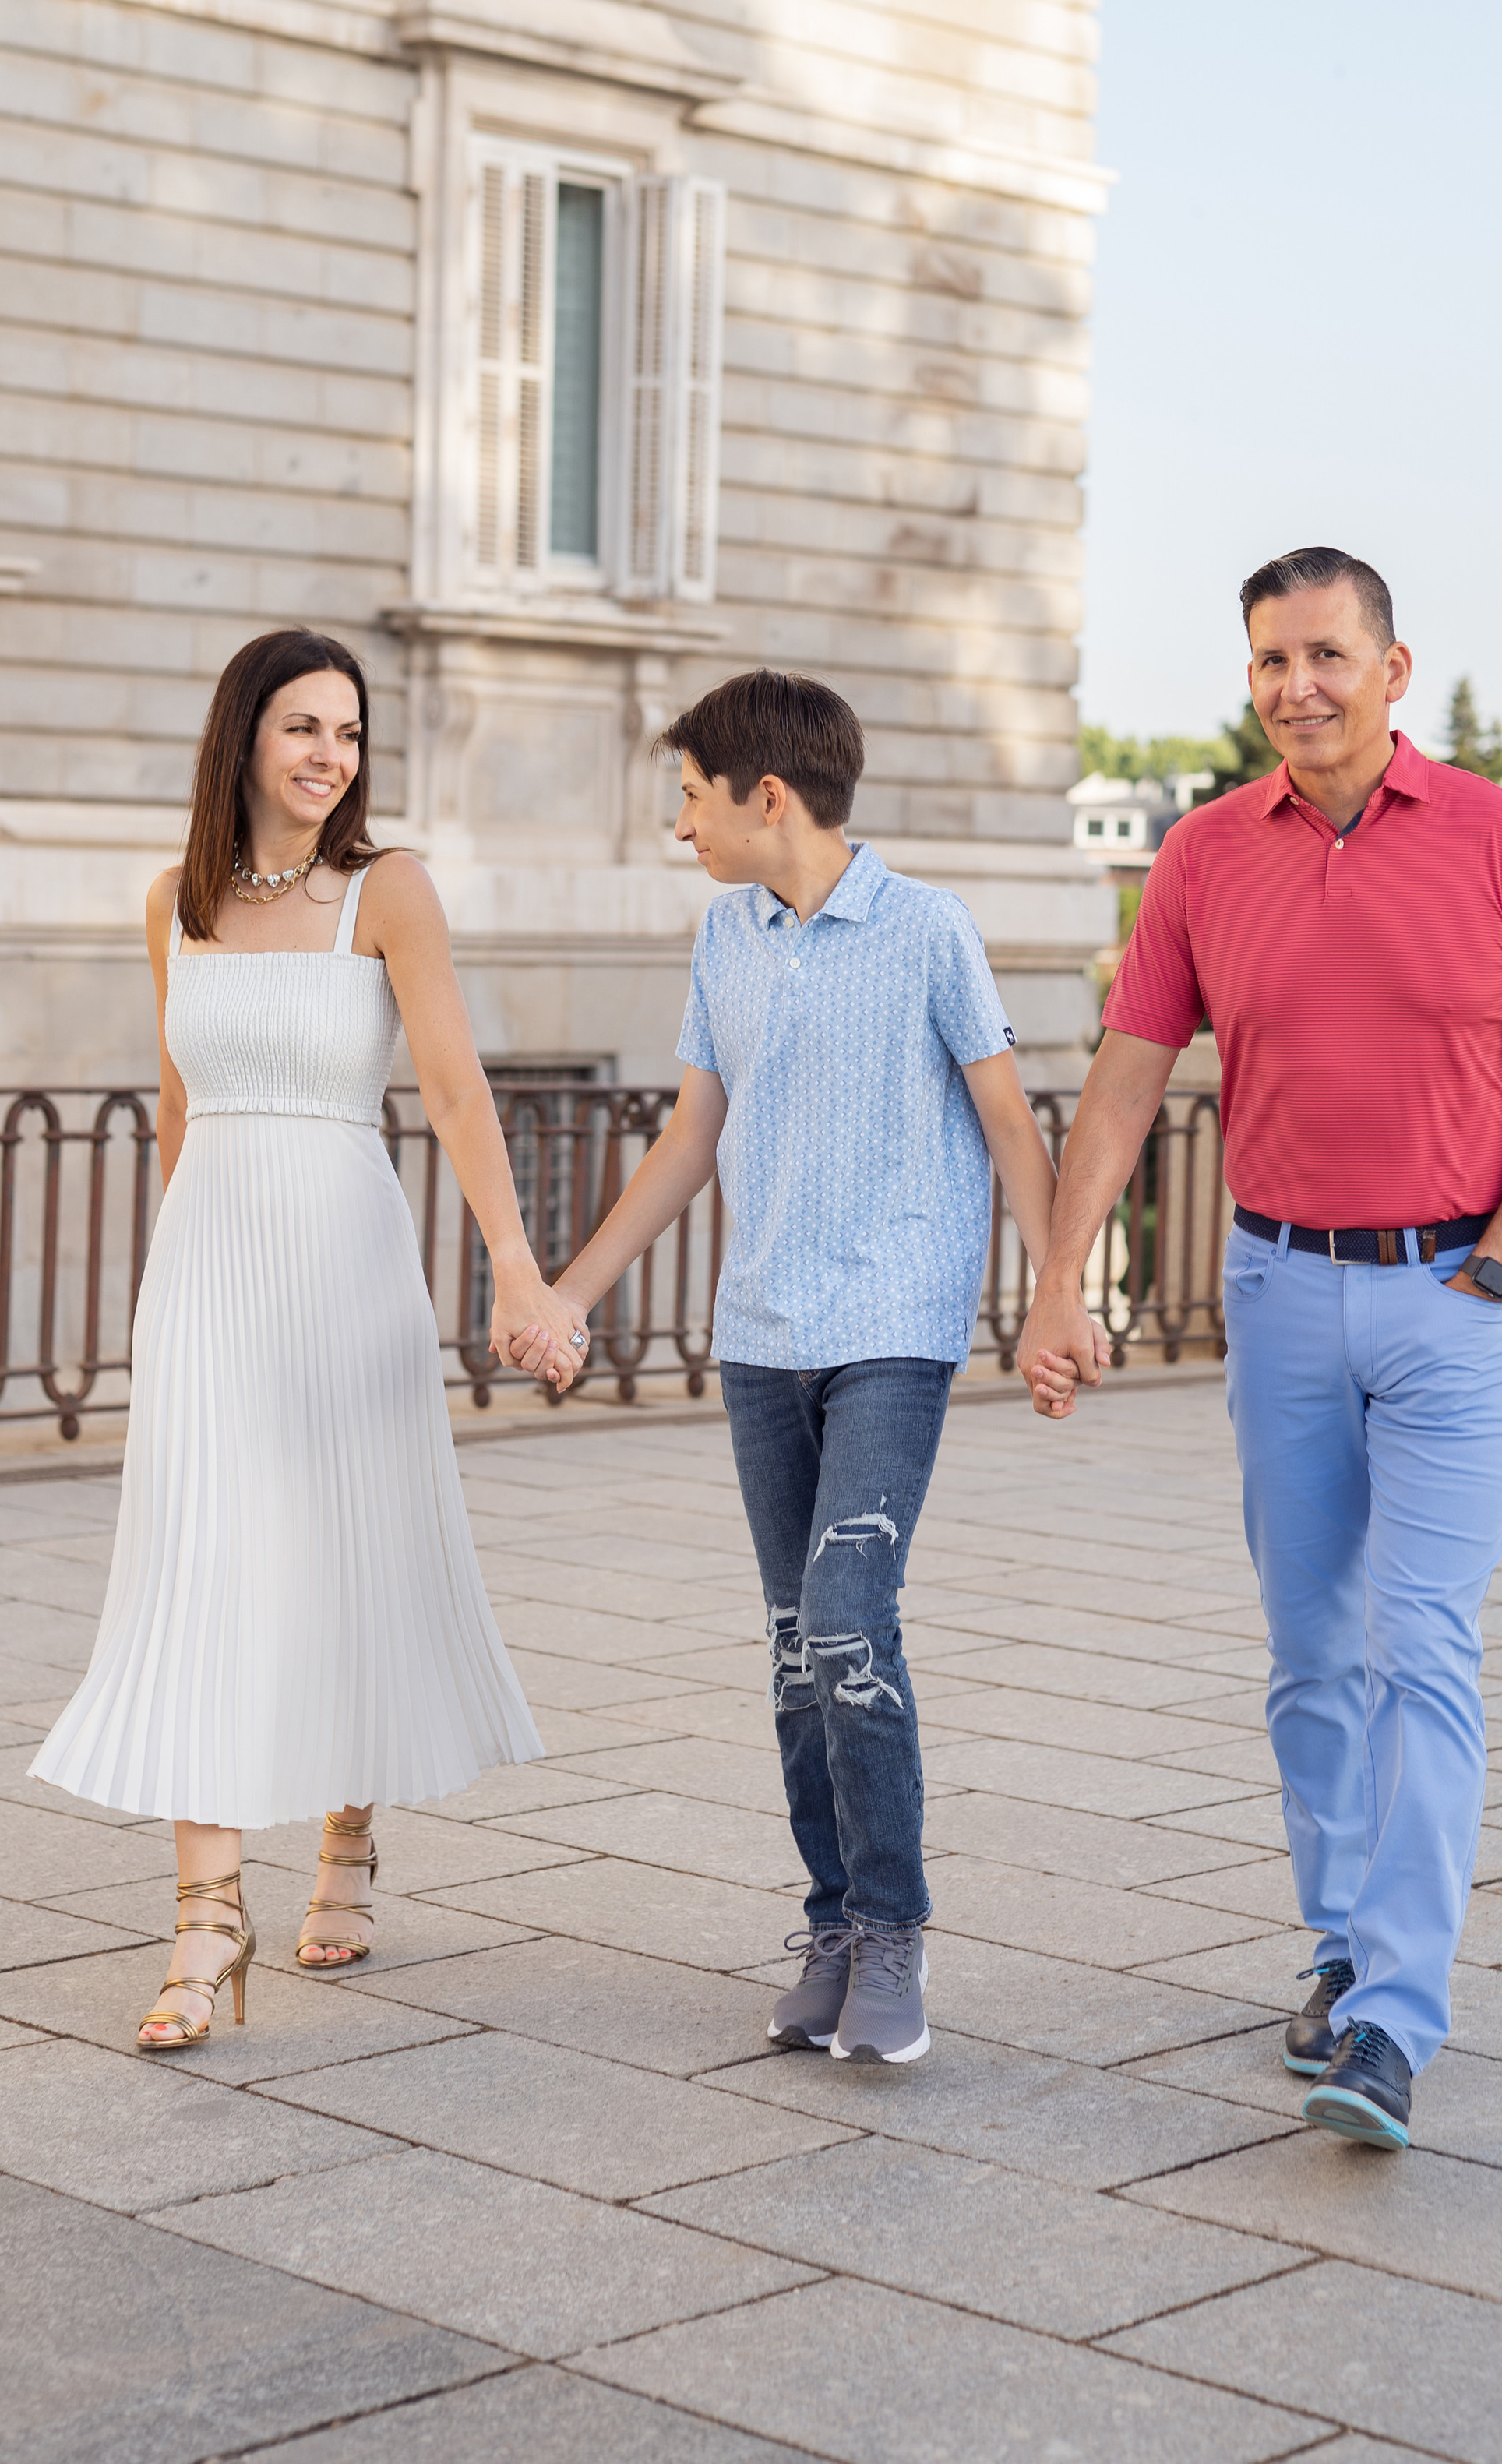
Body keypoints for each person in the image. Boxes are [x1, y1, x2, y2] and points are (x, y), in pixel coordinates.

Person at [1018, 548, 1502, 2149]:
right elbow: (1130, 1081)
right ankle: (1341, 1942)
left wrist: (1496, 1264)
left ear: (1391, 667)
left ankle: (1390, 2023)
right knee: (1308, 1658)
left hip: (1452, 1304)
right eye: (1271, 661)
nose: (1298, 686)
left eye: (1327, 656)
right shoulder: (1202, 858)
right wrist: (1057, 1277)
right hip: (1278, 1293)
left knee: (1420, 1649)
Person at [33, 628, 584, 2049]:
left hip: (343, 1254)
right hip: (211, 1265)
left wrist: (518, 1278)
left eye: (347, 732)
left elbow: (458, 1097)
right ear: (245, 737)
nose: (330, 754)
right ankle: (207, 1923)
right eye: (303, 727)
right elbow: (174, 1105)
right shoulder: (177, 901)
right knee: (198, 1567)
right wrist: (162, 1292)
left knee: (350, 1546)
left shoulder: (387, 891)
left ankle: (347, 1832)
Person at [527, 669, 1057, 2064]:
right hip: (763, 1336)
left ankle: (893, 1929)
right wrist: (569, 1293)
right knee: (791, 1656)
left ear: (769, 797)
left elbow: (1010, 1127)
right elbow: (690, 1142)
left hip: (892, 1328)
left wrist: (1056, 1296)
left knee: (844, 1623)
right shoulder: (727, 939)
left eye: (692, 798)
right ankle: (830, 1922)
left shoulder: (931, 930)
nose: (681, 825)